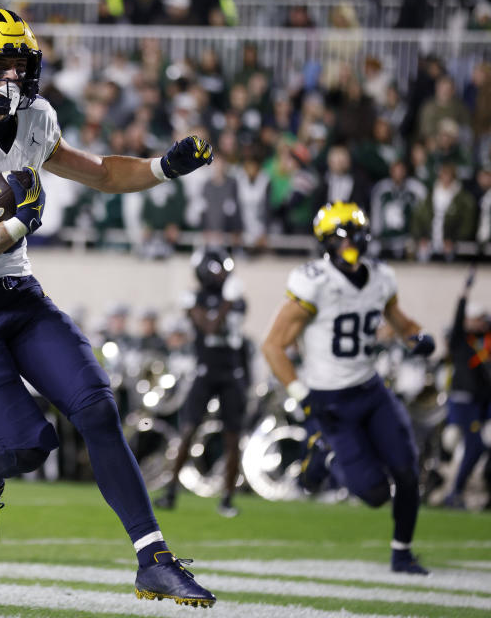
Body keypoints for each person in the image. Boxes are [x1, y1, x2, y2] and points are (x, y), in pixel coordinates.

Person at [0, 8, 215, 607]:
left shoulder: (35, 118)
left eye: (20, 62)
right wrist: (16, 223)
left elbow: (98, 173)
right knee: (31, 442)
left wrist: (163, 167)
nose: (13, 76)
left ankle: (153, 557)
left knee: (97, 407)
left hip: (17, 292)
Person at [260, 200, 435, 574]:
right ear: (326, 242)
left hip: (370, 391)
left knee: (407, 470)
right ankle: (327, 455)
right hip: (331, 401)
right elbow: (272, 345)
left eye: (355, 233)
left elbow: (401, 322)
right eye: (341, 236)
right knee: (373, 494)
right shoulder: (314, 282)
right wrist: (301, 396)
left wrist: (417, 337)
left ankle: (402, 553)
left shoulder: (381, 278)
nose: (350, 241)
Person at [156, 249, 247, 517]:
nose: (220, 273)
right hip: (205, 371)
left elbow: (215, 325)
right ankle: (171, 490)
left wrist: (227, 302)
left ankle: (228, 497)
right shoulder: (204, 297)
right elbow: (209, 328)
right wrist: (226, 303)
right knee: (188, 430)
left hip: (231, 373)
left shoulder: (234, 299)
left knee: (233, 437)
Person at [443, 266, 491, 509]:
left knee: (478, 446)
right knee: (473, 445)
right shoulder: (461, 342)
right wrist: (465, 292)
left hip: (482, 402)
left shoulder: (486, 342)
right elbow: (458, 319)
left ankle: (462, 490)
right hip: (465, 401)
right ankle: (455, 491)